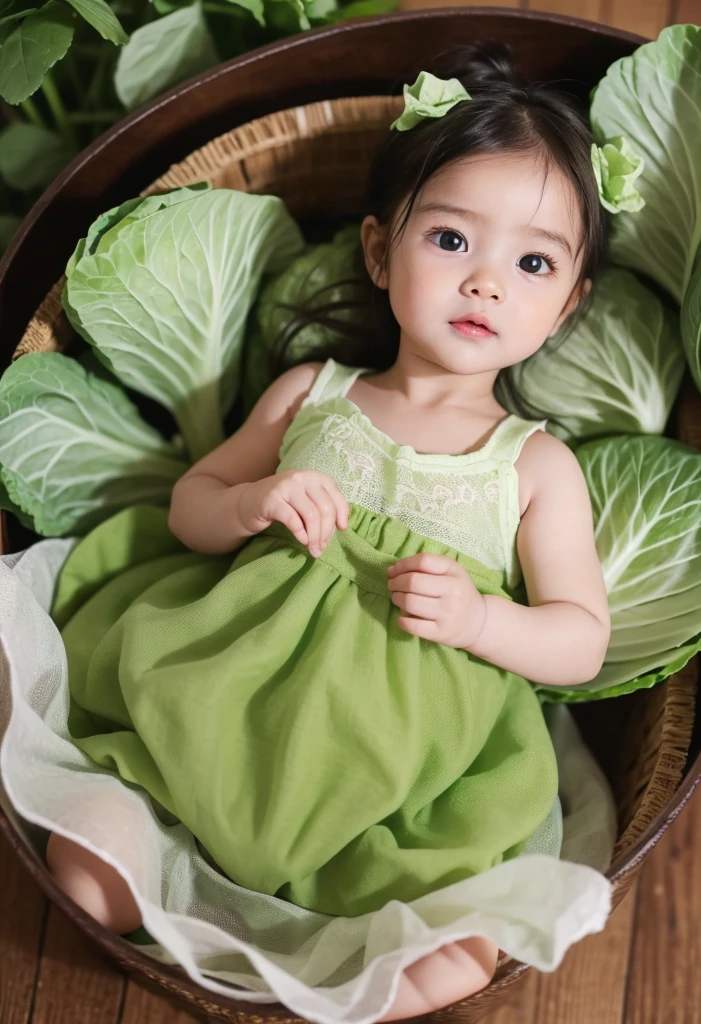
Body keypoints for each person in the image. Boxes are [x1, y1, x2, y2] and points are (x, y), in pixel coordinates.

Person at [46, 40, 611, 1021]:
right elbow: (191, 503)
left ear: (567, 306)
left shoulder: (532, 464)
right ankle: (150, 833)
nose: (485, 283)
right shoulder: (317, 393)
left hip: (396, 767)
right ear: (378, 251)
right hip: (223, 696)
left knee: (458, 944)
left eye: (530, 263)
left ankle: (371, 929)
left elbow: (581, 635)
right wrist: (249, 504)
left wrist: (482, 619)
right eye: (450, 241)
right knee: (87, 865)